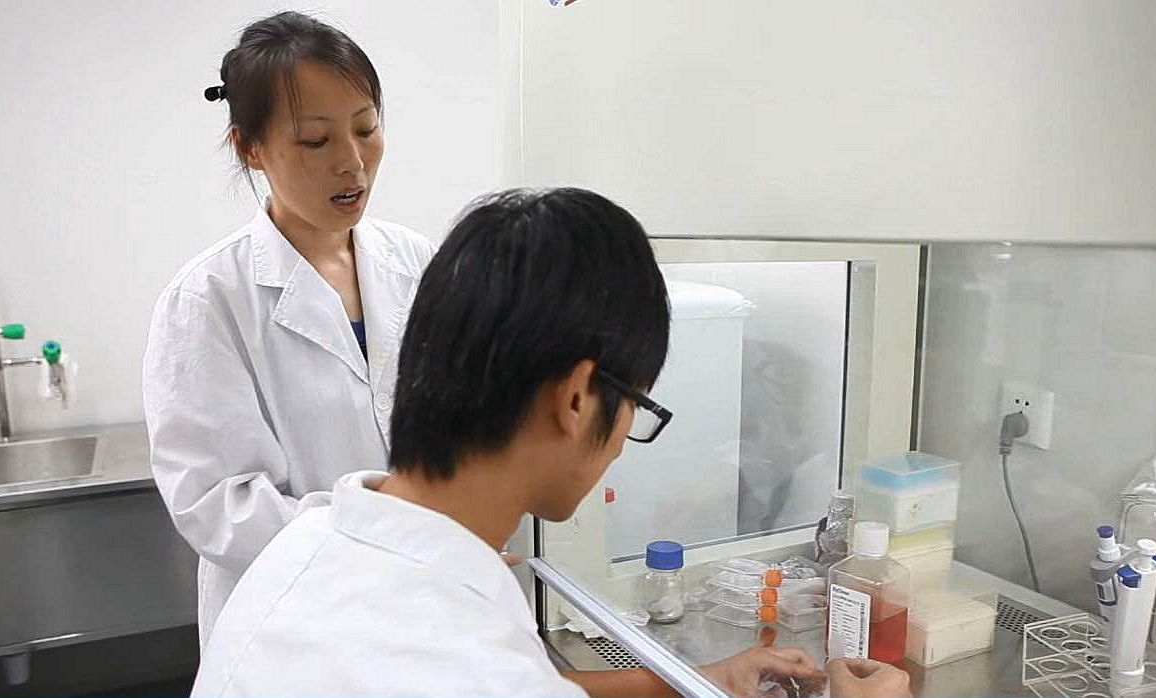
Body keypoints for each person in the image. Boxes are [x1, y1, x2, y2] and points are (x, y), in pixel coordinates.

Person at [191, 188, 909, 697]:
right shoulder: (453, 658)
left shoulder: (317, 538)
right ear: (576, 399)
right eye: (637, 407)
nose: (623, 444)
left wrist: (693, 682)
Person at [142, 11, 435, 645]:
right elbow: (218, 506)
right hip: (293, 626)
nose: (352, 162)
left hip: (421, 602)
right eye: (315, 141)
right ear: (250, 148)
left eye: (366, 128)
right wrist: (384, 529)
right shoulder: (208, 299)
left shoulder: (416, 263)